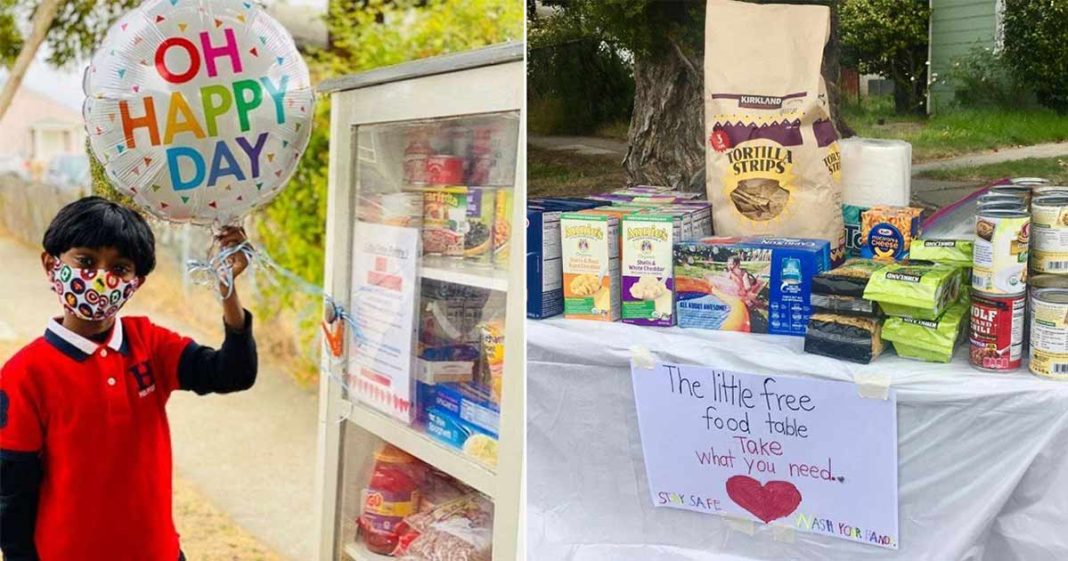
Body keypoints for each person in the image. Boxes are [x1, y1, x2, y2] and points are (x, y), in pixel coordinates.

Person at [0, 197, 257, 561]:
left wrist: (227, 288)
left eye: (120, 268)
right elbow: (12, 493)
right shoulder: (24, 374)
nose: (102, 277)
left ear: (135, 283)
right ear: (51, 264)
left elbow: (234, 374)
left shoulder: (150, 344)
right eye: (86, 261)